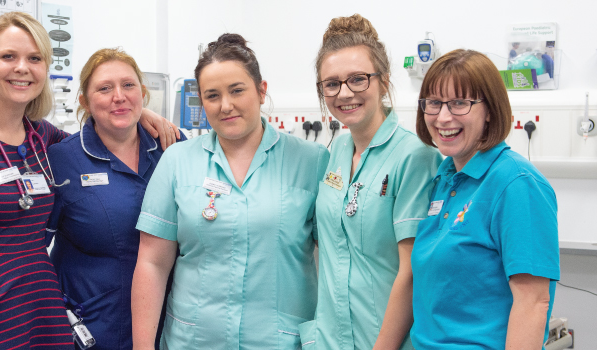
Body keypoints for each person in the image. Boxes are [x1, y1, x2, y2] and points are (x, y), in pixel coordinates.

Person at [0, 12, 179, 350]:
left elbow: (92, 141)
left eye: (34, 58)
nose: (22, 67)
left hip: (38, 317)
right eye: (8, 56)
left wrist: (135, 111)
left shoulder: (40, 138)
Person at [131, 33, 330, 350]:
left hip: (279, 341)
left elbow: (337, 261)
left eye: (237, 90)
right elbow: (152, 264)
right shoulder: (177, 162)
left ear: (261, 91)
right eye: (212, 95)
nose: (226, 105)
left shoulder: (312, 162)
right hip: (194, 341)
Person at [297, 14, 442, 350]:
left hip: (385, 340)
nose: (344, 93)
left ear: (384, 81)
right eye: (331, 84)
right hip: (332, 339)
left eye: (358, 79)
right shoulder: (335, 153)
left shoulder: (414, 156)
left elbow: (411, 272)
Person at [411, 49, 559, 349]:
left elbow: (533, 304)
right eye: (434, 103)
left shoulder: (516, 184)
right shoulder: (445, 177)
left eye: (459, 103)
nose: (443, 117)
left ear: (490, 110)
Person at [46, 47, 185, 350]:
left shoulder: (173, 148)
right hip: (94, 328)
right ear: (84, 101)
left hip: (171, 325)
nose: (118, 96)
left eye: (128, 85)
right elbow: (31, 248)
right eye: (104, 88)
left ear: (143, 93)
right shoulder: (62, 159)